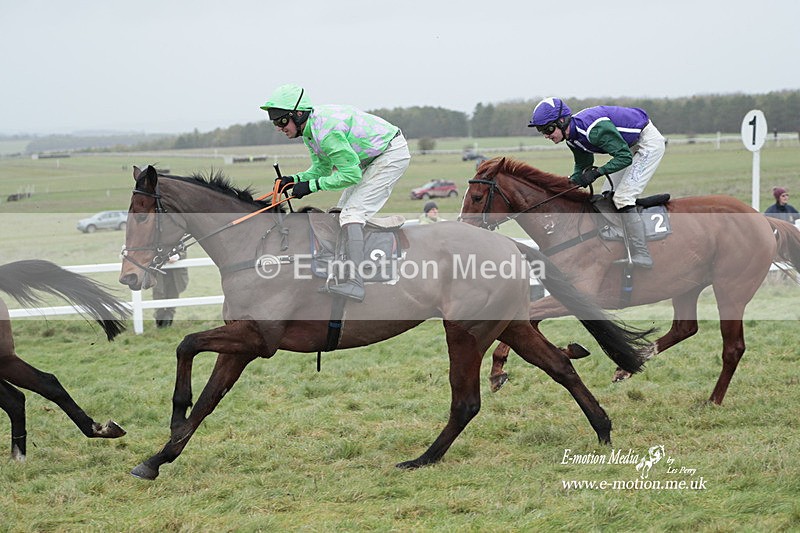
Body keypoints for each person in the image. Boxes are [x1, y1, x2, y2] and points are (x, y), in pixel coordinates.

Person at [261, 84, 411, 302]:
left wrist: (311, 187)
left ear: (299, 114)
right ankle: (343, 271)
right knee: (341, 214)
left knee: (352, 215)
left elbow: (350, 175)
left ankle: (357, 283)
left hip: (390, 154)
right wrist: (296, 179)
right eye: (275, 122)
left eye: (282, 120)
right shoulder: (310, 132)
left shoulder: (326, 132)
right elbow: (321, 169)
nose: (279, 127)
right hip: (370, 158)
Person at [528, 97, 666, 268]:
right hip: (628, 146)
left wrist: (598, 172)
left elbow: (624, 158)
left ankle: (642, 254)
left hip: (646, 143)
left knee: (623, 198)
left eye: (548, 129)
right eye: (542, 132)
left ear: (562, 121)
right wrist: (567, 185)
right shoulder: (572, 138)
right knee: (608, 196)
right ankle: (621, 242)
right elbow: (583, 166)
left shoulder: (594, 130)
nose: (547, 136)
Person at [153, 251, 189, 328]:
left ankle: (168, 322)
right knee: (158, 295)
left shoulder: (177, 239)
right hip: (159, 274)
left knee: (173, 296)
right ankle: (160, 323)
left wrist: (177, 256)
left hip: (175, 274)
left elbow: (183, 250)